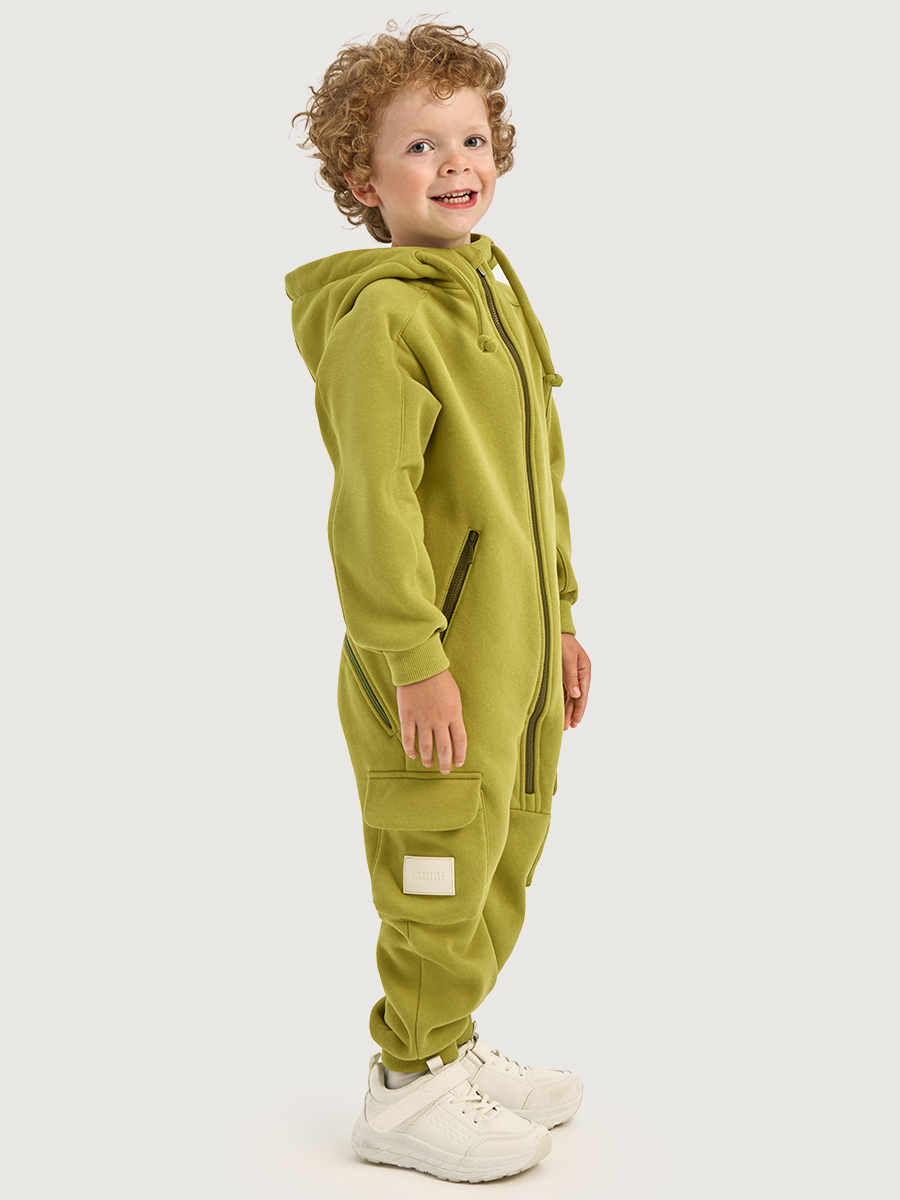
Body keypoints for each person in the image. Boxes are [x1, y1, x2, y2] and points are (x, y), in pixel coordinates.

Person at [285, 21, 592, 1183]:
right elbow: (373, 509)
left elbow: (538, 476)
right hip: (434, 661)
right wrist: (414, 659)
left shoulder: (488, 296)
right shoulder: (385, 320)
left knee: (505, 845)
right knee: (438, 861)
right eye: (420, 145)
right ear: (364, 182)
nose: (456, 161)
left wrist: (562, 617)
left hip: (514, 650)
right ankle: (407, 1085)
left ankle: (449, 1038)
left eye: (471, 137)